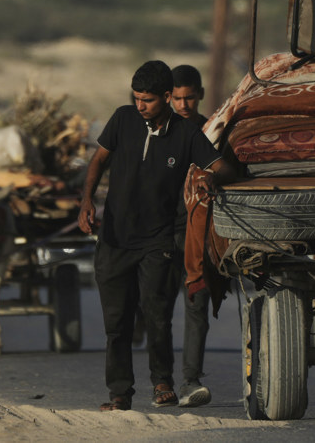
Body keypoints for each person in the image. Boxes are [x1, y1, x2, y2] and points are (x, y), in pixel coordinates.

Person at [78, 60, 236, 413]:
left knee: (157, 316)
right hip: (115, 239)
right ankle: (120, 394)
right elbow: (99, 160)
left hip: (158, 242)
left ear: (166, 97)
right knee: (117, 324)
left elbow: (222, 166)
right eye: (136, 98)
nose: (140, 106)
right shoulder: (122, 119)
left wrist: (213, 178)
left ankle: (162, 381)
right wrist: (86, 200)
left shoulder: (186, 134)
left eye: (147, 100)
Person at [168, 64, 214, 408]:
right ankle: (161, 382)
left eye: (190, 98)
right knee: (155, 307)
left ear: (199, 95)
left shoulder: (210, 131)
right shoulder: (157, 132)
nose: (184, 105)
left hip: (197, 233)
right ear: (169, 97)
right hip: (161, 233)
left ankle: (190, 380)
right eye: (178, 99)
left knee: (196, 305)